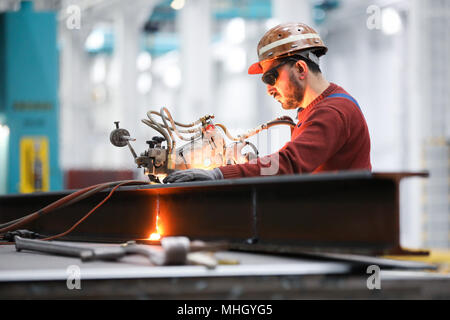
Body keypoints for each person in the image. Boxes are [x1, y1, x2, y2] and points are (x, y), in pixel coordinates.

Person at [164, 22, 371, 183]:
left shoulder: (332, 112)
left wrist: (219, 174)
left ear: (300, 69)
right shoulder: (312, 111)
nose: (269, 89)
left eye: (271, 78)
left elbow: (289, 163)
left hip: (343, 229)